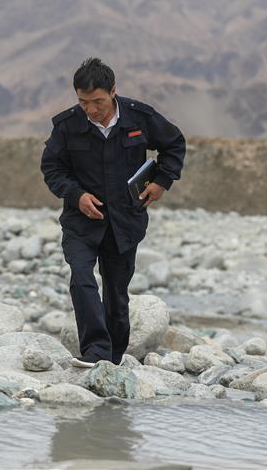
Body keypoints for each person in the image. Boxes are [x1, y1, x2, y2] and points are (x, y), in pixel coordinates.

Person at [40, 58, 185, 367]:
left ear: (113, 91)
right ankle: (94, 351)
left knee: (117, 293)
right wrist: (77, 196)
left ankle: (114, 358)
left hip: (125, 221)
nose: (91, 110)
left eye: (98, 102)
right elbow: (52, 169)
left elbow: (174, 145)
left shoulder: (140, 117)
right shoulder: (67, 126)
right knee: (81, 278)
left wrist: (161, 182)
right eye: (83, 102)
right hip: (81, 221)